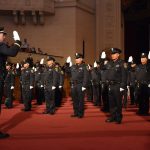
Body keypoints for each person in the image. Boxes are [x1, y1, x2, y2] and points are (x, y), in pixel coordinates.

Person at [0, 27, 21, 139]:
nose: (4, 36)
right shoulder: (0, 45)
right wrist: (17, 41)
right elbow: (12, 52)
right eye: (3, 34)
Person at [105, 48, 127, 124]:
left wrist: (122, 86)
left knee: (118, 103)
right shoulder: (109, 63)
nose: (112, 55)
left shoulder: (122, 63)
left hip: (118, 85)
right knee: (111, 103)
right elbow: (105, 71)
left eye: (114, 54)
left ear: (118, 54)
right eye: (112, 54)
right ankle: (112, 117)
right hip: (110, 85)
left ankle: (118, 118)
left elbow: (124, 76)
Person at [65, 53, 89, 118]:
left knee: (80, 100)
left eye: (78, 58)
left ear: (81, 59)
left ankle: (80, 113)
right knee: (75, 100)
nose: (77, 59)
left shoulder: (84, 66)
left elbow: (86, 77)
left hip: (80, 85)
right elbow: (67, 71)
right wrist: (67, 63)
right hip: (73, 85)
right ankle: (75, 112)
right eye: (76, 58)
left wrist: (84, 86)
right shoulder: (73, 66)